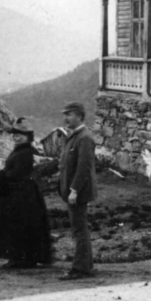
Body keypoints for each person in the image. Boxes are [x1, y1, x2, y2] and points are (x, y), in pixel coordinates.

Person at [0, 124, 53, 269]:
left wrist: (3, 176)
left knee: (23, 225)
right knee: (16, 225)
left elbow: (19, 172)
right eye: (14, 135)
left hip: (23, 193)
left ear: (27, 137)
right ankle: (17, 257)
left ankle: (24, 258)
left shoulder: (26, 152)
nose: (15, 138)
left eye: (19, 135)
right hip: (16, 192)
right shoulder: (19, 151)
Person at [58, 101, 97, 280]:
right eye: (65, 114)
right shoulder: (75, 136)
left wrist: (74, 190)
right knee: (79, 228)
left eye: (70, 114)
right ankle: (85, 266)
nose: (66, 118)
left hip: (78, 192)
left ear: (80, 116)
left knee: (79, 229)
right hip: (72, 191)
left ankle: (81, 269)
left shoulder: (84, 137)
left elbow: (84, 167)